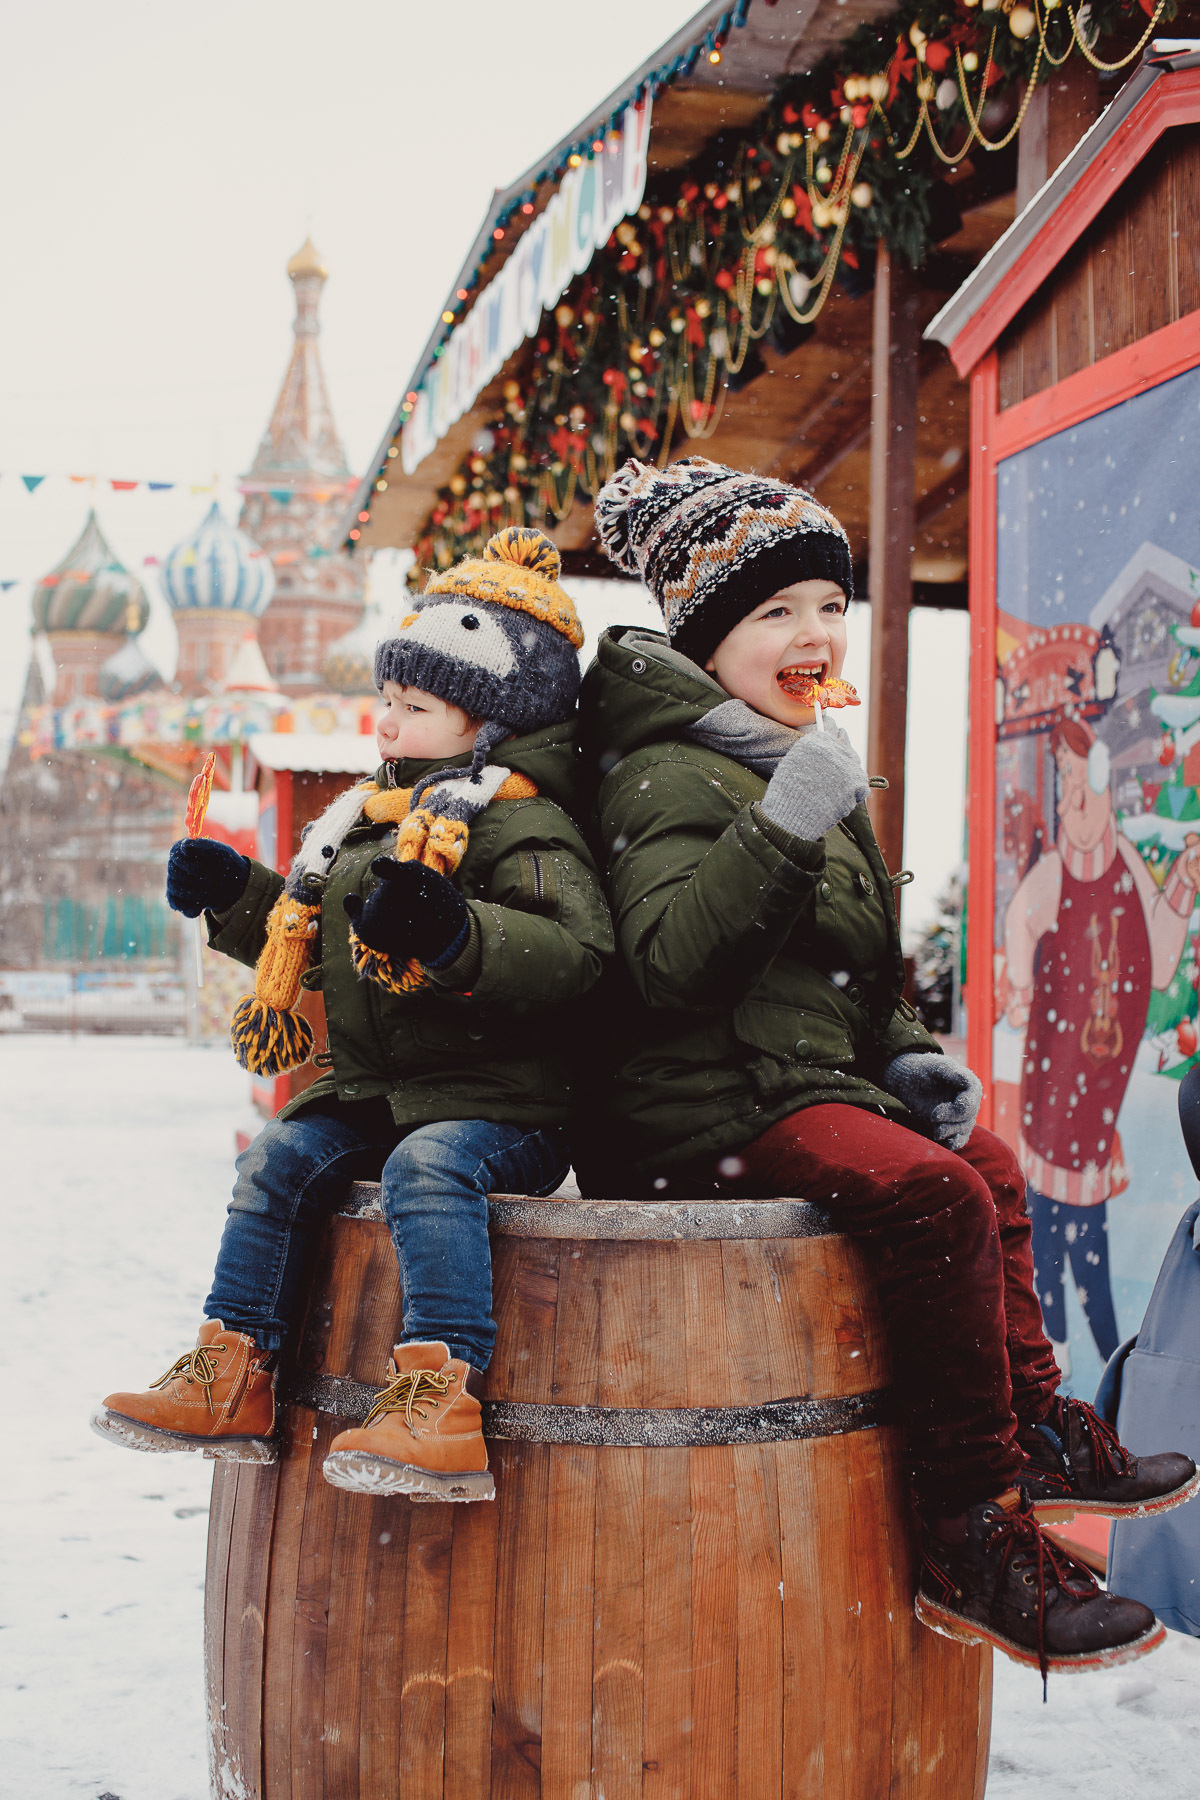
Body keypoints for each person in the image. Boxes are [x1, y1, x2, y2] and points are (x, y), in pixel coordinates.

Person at [582, 454, 1198, 1676]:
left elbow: (852, 976)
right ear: (706, 637)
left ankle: (1034, 1428)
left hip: (797, 1081)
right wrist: (786, 822)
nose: (812, 633)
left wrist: (910, 1059)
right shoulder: (664, 771)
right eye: (774, 613)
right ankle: (969, 1530)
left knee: (989, 1159)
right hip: (687, 1105)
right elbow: (673, 966)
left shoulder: (797, 752)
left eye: (829, 606)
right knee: (933, 1195)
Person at [92, 527, 612, 1503]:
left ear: (496, 716)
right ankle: (234, 1366)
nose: (385, 720)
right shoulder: (369, 825)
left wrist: (458, 933)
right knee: (280, 1154)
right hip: (389, 1085)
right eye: (386, 699)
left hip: (508, 1106)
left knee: (429, 1170)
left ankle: (440, 1391)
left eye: (413, 705)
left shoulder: (525, 824)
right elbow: (332, 947)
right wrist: (238, 896)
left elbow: (576, 954)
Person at [1003, 714, 1200, 1370]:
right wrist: (1021, 983)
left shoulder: (1127, 869)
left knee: (1073, 1229)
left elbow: (1163, 960)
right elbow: (1022, 926)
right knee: (1054, 1226)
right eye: (1068, 797)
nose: (1075, 811)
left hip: (1097, 1101)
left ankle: (1090, 1358)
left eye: (1084, 796)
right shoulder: (1058, 874)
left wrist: (1181, 886)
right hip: (1054, 1092)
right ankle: (1065, 1355)